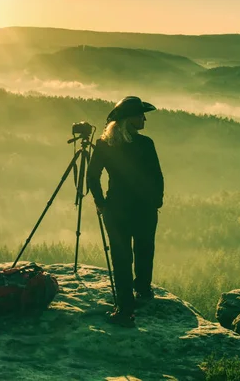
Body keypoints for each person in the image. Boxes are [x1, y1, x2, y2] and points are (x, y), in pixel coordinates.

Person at [87, 96, 164, 327]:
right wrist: (156, 202)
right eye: (140, 114)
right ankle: (143, 290)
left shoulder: (104, 145)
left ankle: (125, 309)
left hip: (116, 208)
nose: (144, 118)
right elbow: (157, 176)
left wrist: (101, 203)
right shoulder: (146, 144)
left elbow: (92, 176)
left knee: (121, 258)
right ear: (129, 120)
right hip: (144, 209)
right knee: (144, 249)